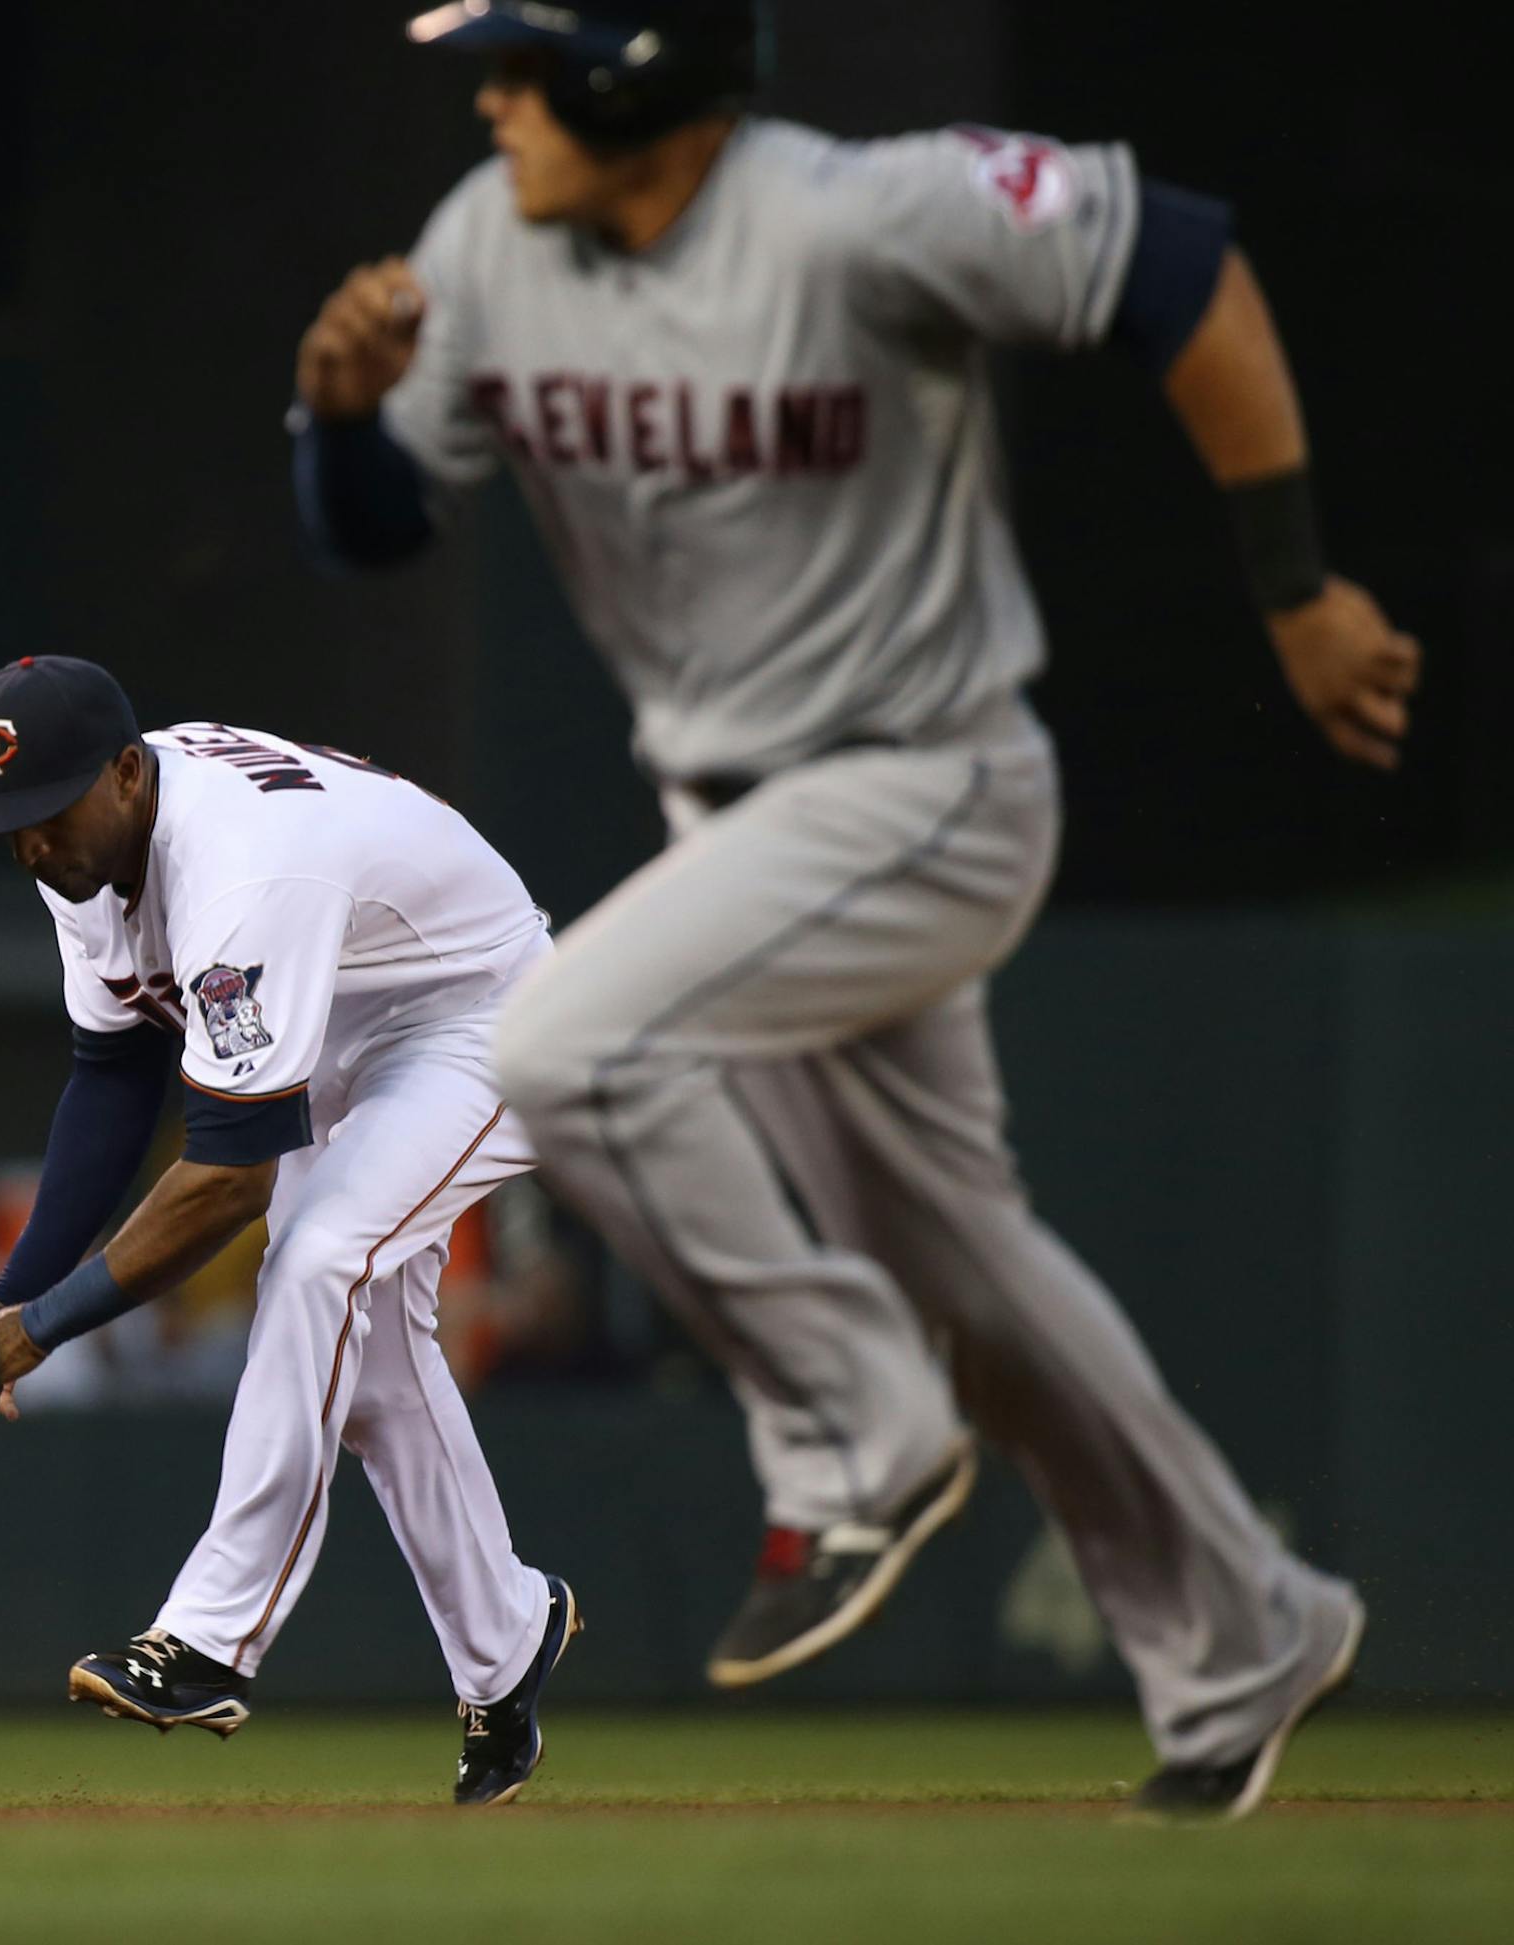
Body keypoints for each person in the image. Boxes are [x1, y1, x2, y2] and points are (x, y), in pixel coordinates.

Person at [288, 0, 1418, 1821]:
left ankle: (849, 1432)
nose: (494, 96)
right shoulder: (487, 244)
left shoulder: (859, 212)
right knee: (973, 1271)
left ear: (639, 70)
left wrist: (1294, 590)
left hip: (929, 779)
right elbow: (373, 527)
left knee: (567, 1040)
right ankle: (1245, 1625)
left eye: (524, 61)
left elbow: (1182, 265)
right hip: (743, 826)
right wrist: (340, 420)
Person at [0, 654, 580, 1807]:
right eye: (7, 820)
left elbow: (226, 1178)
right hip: (344, 1025)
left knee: (317, 1257)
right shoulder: (86, 850)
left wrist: (34, 1334)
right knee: (366, 1353)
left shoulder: (239, 871)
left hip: (486, 1011)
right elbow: (115, 1077)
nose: (29, 844)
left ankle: (210, 1639)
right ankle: (508, 1636)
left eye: (46, 811)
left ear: (127, 773)